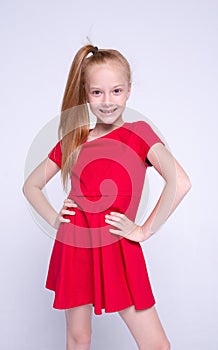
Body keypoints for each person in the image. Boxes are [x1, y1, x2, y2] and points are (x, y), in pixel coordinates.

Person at [23, 44, 191, 350]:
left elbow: (179, 182)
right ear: (85, 93)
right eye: (97, 92)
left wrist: (142, 230)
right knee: (79, 338)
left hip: (118, 245)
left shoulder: (139, 133)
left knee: (155, 345)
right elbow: (31, 186)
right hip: (75, 244)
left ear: (128, 91)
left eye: (116, 91)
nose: (107, 101)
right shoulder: (74, 139)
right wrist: (56, 218)